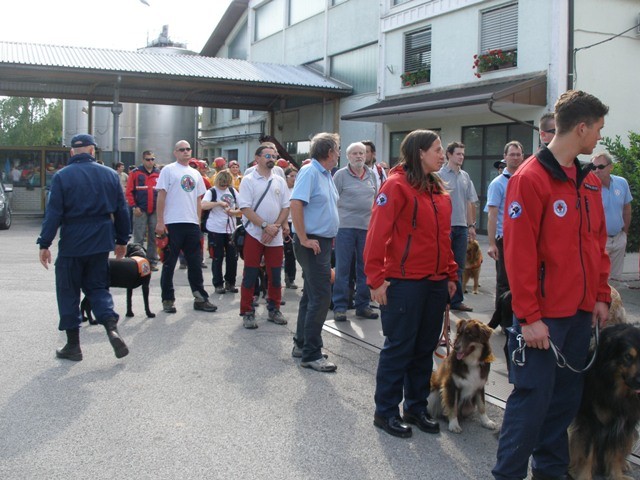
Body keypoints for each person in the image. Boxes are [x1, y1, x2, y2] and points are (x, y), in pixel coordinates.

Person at [492, 90, 611, 480]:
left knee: (563, 404)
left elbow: (596, 243)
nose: (598, 139)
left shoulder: (588, 181)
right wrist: (528, 317)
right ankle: (507, 474)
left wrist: (600, 295)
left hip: (577, 317)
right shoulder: (529, 178)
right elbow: (519, 256)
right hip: (542, 321)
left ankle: (551, 473)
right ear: (581, 128)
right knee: (531, 403)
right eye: (597, 130)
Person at [364, 129, 457, 438]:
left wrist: (451, 274)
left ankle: (415, 407)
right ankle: (385, 411)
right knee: (399, 349)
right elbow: (377, 234)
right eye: (437, 149)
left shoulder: (437, 188)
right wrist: (376, 280)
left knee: (424, 348)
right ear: (420, 152)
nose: (442, 154)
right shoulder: (396, 186)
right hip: (404, 283)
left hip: (434, 282)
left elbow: (443, 237)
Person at [37, 134, 130, 361]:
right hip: (101, 241)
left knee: (68, 290)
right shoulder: (110, 175)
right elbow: (121, 210)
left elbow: (54, 213)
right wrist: (122, 241)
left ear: (72, 153)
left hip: (73, 242)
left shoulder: (62, 177)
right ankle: (110, 327)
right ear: (92, 151)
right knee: (98, 287)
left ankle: (73, 346)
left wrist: (45, 243)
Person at [290, 132, 340, 372]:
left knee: (311, 295)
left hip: (323, 241)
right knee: (321, 296)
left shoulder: (325, 174)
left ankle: (302, 344)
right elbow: (296, 203)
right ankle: (311, 353)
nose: (339, 154)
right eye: (338, 149)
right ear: (329, 152)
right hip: (313, 243)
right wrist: (304, 238)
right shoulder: (310, 171)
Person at [154, 140, 217, 314]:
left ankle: (200, 298)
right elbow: (161, 196)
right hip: (172, 224)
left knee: (195, 264)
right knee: (169, 264)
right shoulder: (168, 170)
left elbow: (198, 200)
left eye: (188, 149)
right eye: (182, 150)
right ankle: (168, 299)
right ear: (175, 152)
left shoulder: (195, 174)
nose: (186, 152)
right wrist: (160, 221)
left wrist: (197, 222)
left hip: (191, 225)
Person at [237, 145, 290, 329]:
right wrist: (265, 226)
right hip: (254, 233)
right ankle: (247, 311)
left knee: (275, 274)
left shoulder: (279, 180)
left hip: (274, 235)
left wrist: (276, 226)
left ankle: (274, 308)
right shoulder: (249, 180)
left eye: (274, 156)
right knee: (250, 274)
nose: (272, 158)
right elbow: (245, 208)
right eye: (267, 155)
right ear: (257, 158)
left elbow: (286, 206)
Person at [332, 142, 378, 322]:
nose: (359, 156)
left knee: (365, 268)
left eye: (362, 153)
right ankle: (340, 307)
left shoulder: (372, 175)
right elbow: (332, 200)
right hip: (344, 228)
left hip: (367, 229)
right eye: (355, 153)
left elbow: (377, 200)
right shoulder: (340, 175)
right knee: (343, 269)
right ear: (348, 156)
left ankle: (363, 305)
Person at [437, 141, 478, 312]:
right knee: (442, 265)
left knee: (459, 265)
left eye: (463, 154)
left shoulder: (465, 176)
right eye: (458, 154)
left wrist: (471, 225)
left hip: (461, 227)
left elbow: (470, 202)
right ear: (449, 155)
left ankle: (456, 301)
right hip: (444, 227)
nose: (461, 157)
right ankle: (440, 300)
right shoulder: (438, 175)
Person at [485, 141, 524, 307]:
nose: (515, 158)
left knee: (522, 280)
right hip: (504, 239)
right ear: (505, 157)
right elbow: (492, 216)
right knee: (504, 281)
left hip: (523, 238)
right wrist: (492, 244)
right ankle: (503, 318)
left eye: (518, 154)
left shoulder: (526, 179)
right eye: (512, 154)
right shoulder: (498, 184)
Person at [591, 151, 632, 281]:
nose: (597, 170)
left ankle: (613, 302)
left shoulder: (622, 183)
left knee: (615, 280)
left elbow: (627, 208)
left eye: (601, 167)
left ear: (610, 167)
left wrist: (625, 234)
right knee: (598, 279)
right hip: (599, 240)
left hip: (619, 238)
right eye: (594, 167)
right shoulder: (589, 187)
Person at [202, 170, 241, 294]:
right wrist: (218, 203)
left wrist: (234, 212)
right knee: (217, 257)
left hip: (231, 229)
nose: (224, 186)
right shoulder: (211, 191)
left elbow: (243, 206)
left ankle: (230, 282)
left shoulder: (233, 191)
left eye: (226, 184)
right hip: (215, 229)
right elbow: (203, 205)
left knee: (232, 258)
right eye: (222, 183)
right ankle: (218, 284)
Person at [126, 150, 160, 271]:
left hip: (155, 209)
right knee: (138, 237)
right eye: (148, 159)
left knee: (153, 236)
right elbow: (129, 191)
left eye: (152, 159)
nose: (150, 162)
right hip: (140, 209)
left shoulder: (158, 173)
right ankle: (138, 262)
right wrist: (134, 206)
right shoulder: (135, 173)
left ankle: (152, 261)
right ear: (143, 160)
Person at [283, 166, 298, 289]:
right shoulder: (282, 190)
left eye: (295, 176)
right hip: (283, 223)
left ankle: (290, 278)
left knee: (291, 253)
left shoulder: (297, 189)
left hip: (295, 223)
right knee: (282, 252)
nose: (294, 179)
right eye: (291, 176)